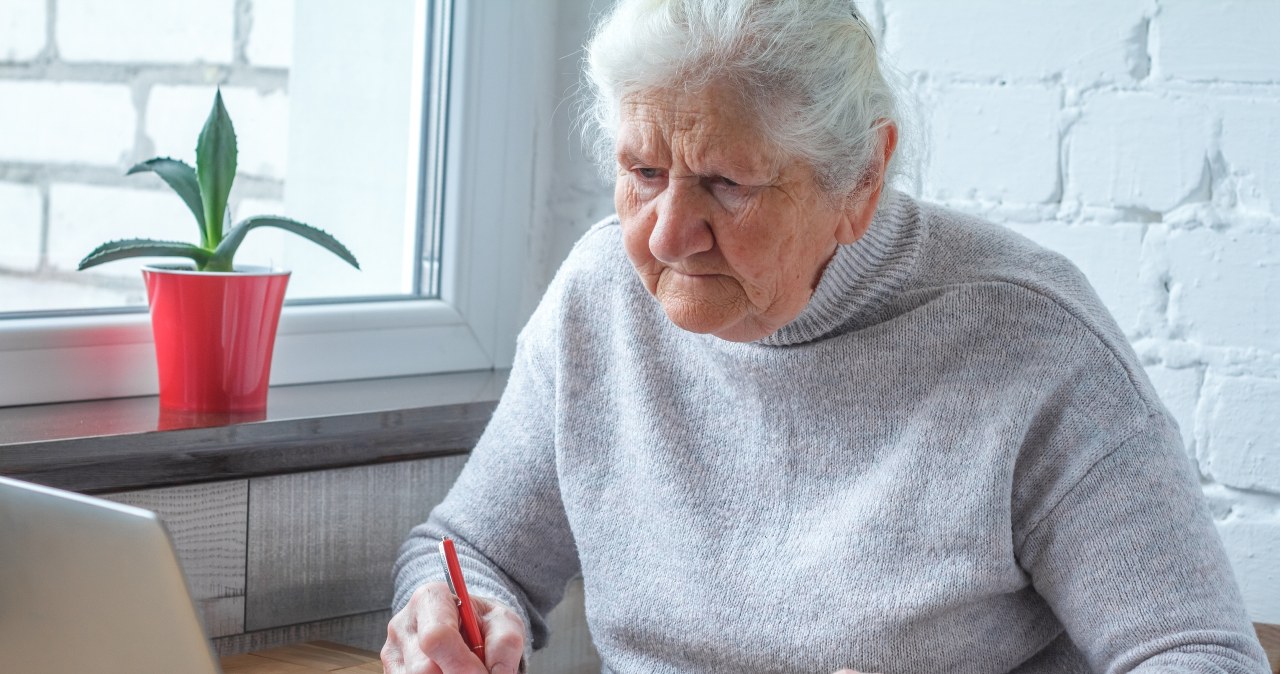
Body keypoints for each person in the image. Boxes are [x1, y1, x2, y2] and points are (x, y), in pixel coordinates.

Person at [381, 1, 1270, 673]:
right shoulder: (598, 301)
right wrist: (452, 614)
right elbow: (470, 552)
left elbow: (1200, 656)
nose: (662, 233)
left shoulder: (1032, 344)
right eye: (643, 173)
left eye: (725, 183)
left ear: (861, 178)